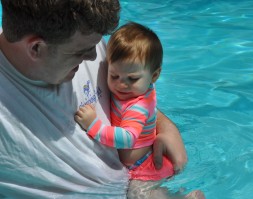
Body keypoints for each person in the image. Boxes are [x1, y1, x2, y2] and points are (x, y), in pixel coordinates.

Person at [0, 0, 190, 198]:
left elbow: (133, 98)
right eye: (80, 53)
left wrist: (166, 127)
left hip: (142, 176)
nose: (94, 57)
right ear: (36, 48)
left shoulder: (83, 35)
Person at [75, 22, 205, 199]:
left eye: (132, 78)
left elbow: (127, 138)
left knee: (139, 195)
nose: (122, 84)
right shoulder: (133, 91)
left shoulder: (137, 106)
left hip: (144, 167)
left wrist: (93, 125)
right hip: (145, 161)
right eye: (114, 75)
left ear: (154, 76)